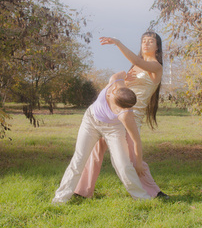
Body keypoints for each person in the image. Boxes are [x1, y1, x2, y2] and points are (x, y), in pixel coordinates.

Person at [74, 31, 168, 199]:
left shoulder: (156, 67)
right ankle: (82, 192)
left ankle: (155, 193)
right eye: (143, 41)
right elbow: (123, 89)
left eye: (150, 41)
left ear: (157, 46)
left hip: (132, 116)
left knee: (133, 158)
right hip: (116, 113)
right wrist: (122, 77)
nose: (146, 44)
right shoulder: (135, 67)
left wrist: (117, 42)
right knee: (96, 151)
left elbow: (137, 60)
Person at [52, 71, 153, 204]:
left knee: (123, 165)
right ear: (113, 92)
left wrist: (139, 163)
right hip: (91, 122)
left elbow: (136, 141)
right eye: (116, 107)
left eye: (119, 110)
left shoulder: (125, 115)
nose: (117, 110)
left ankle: (142, 198)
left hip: (113, 129)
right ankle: (60, 199)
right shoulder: (115, 81)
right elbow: (119, 75)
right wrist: (125, 74)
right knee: (78, 159)